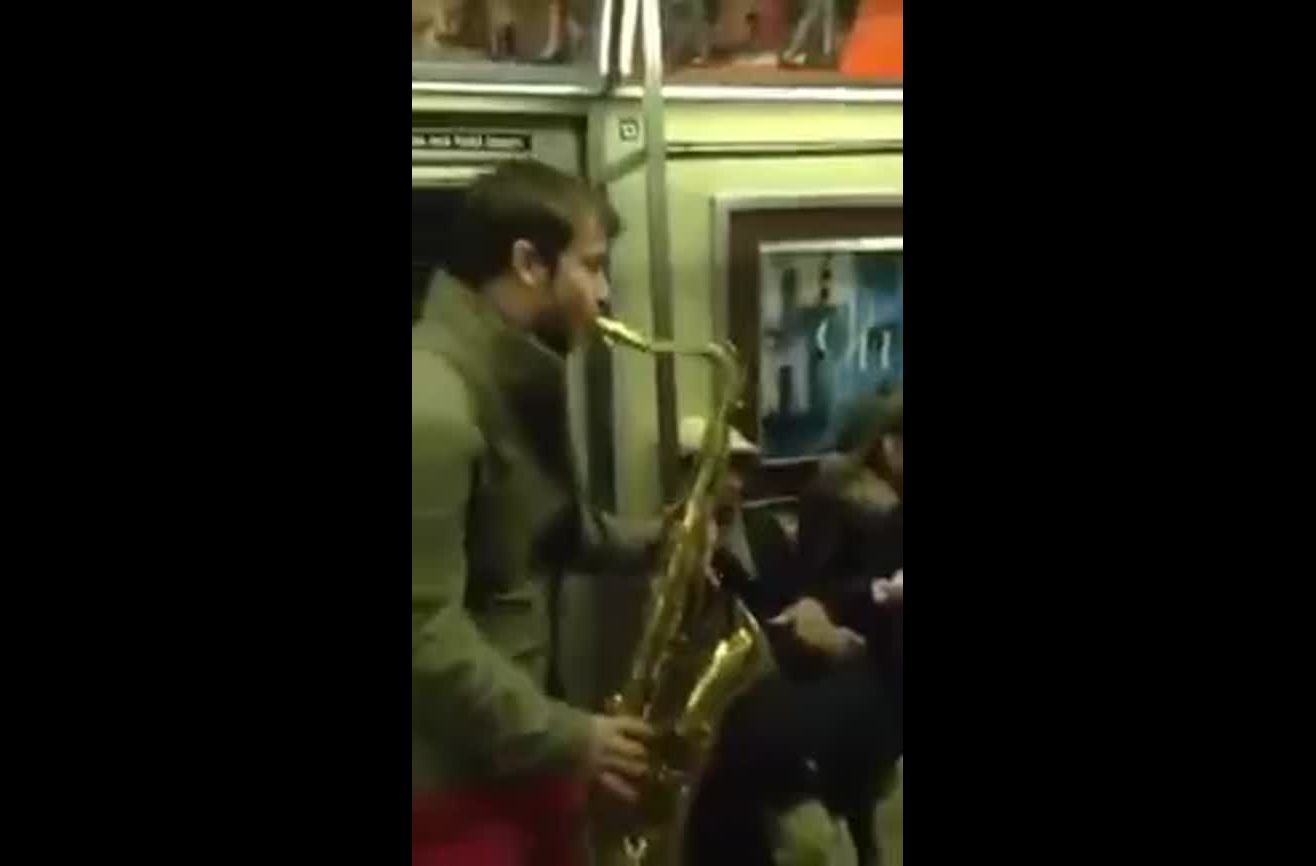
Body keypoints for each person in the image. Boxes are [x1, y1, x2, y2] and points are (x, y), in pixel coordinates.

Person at [412, 160, 661, 865]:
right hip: (454, 792)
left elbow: (534, 530)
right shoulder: (433, 404)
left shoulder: (499, 374)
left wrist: (659, 540)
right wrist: (571, 736)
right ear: (529, 264)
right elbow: (422, 632)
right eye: (593, 266)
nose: (603, 294)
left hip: (511, 759)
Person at [677, 416, 889, 866]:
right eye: (722, 470)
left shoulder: (762, 529)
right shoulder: (682, 546)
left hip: (792, 671)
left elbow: (799, 592)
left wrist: (820, 621)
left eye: (739, 469)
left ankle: (857, 814)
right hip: (736, 698)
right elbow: (708, 638)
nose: (734, 483)